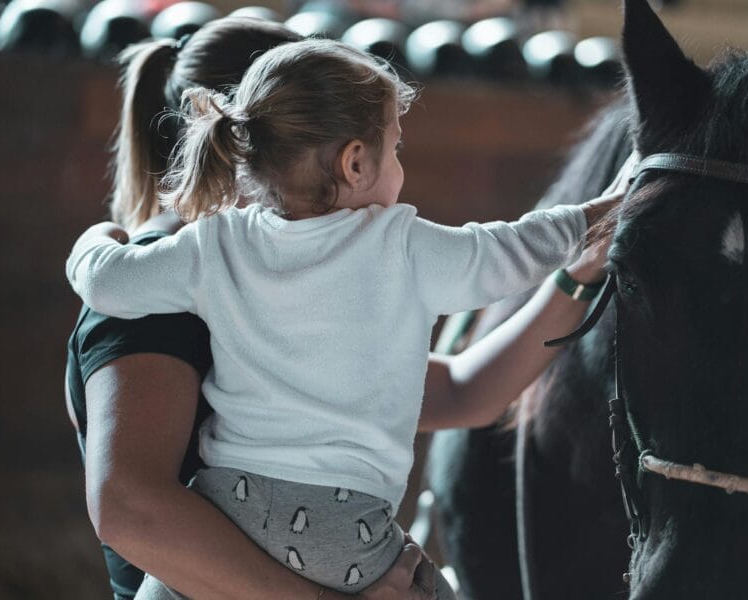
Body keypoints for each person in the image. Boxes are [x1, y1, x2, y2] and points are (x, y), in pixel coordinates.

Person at [66, 37, 625, 599]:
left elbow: (461, 388)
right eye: (397, 148)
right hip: (346, 532)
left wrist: (96, 240)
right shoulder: (398, 247)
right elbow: (510, 249)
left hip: (227, 502)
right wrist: (601, 215)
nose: (400, 165)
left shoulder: (211, 248)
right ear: (356, 161)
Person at [66, 17, 440, 600]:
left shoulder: (275, 284)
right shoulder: (164, 285)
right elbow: (129, 509)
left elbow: (463, 389)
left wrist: (579, 270)